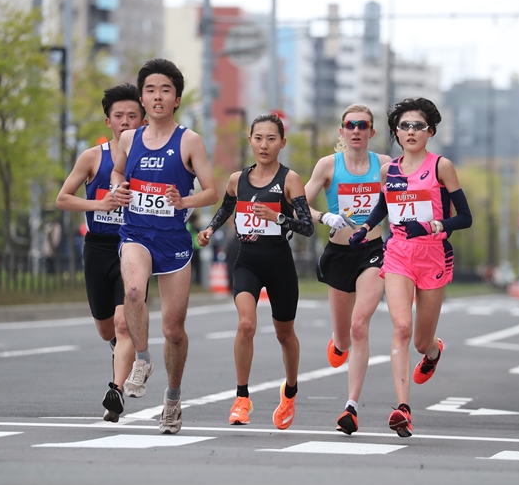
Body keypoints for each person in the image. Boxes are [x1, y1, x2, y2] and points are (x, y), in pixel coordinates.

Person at [349, 97, 472, 437]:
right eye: (404, 126)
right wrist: (363, 229)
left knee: (419, 341)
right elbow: (381, 208)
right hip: (399, 253)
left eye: (418, 126)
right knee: (401, 327)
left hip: (433, 255)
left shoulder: (441, 167)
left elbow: (465, 217)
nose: (411, 131)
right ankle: (403, 408)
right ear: (396, 134)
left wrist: (433, 226)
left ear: (430, 131)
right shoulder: (390, 171)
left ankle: (433, 350)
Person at [111, 58, 218, 435]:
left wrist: (183, 201)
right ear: (142, 98)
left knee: (174, 330)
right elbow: (119, 171)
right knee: (134, 290)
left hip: (173, 240)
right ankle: (142, 359)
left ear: (176, 99)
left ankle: (172, 399)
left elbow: (212, 191)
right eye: (151, 90)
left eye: (166, 90)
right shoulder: (128, 138)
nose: (158, 97)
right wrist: (117, 187)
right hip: (136, 233)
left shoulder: (189, 141)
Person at [197, 113, 314, 430]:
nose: (264, 144)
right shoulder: (238, 179)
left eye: (271, 138)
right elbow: (226, 207)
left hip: (279, 264)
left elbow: (307, 226)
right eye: (258, 138)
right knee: (246, 323)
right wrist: (209, 229)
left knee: (284, 334)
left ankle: (289, 391)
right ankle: (241, 398)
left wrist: (276, 218)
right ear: (250, 141)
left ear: (282, 143)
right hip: (246, 259)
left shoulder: (290, 180)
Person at [56, 83, 144, 422]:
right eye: (118, 116)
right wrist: (100, 203)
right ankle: (117, 349)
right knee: (107, 329)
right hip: (97, 248)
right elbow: (63, 198)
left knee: (124, 325)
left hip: (132, 247)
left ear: (142, 119)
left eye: (132, 116)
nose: (125, 122)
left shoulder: (150, 160)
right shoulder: (93, 157)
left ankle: (115, 391)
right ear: (108, 121)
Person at [303, 103, 391, 435]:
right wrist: (324, 216)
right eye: (350, 125)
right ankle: (337, 344)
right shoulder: (328, 165)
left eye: (362, 125)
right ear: (341, 131)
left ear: (372, 132)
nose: (356, 130)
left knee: (359, 327)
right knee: (343, 338)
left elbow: (412, 188)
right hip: (339, 254)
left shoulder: (384, 165)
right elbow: (298, 202)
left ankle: (350, 407)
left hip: (372, 251)